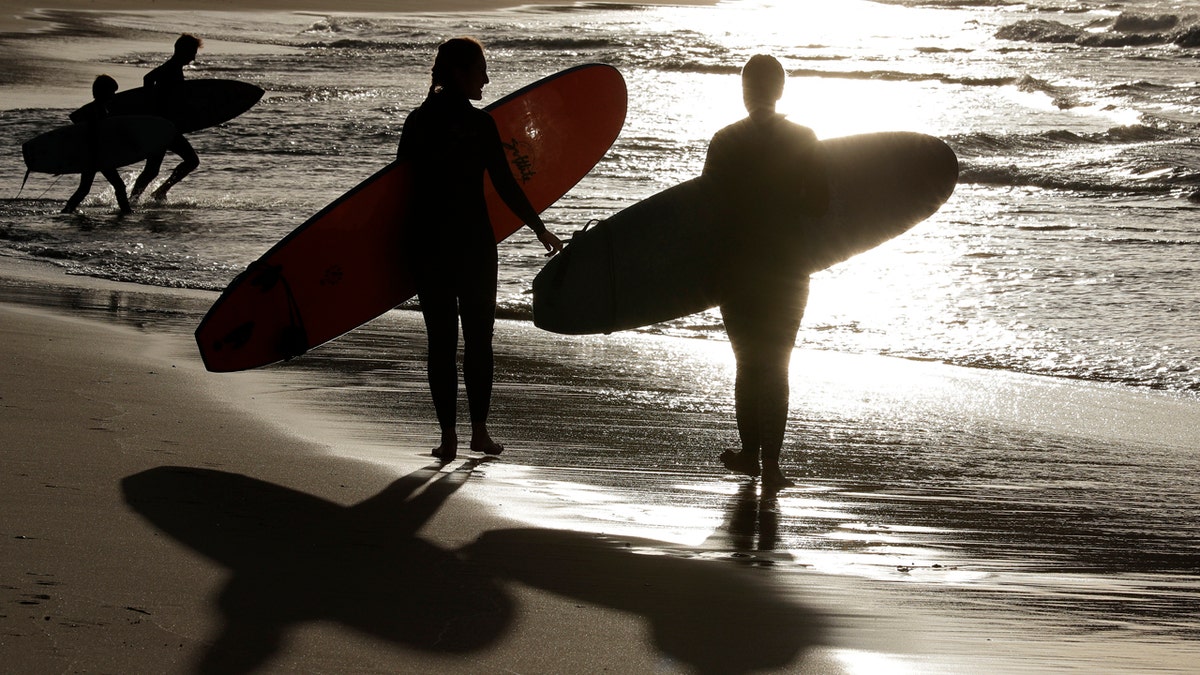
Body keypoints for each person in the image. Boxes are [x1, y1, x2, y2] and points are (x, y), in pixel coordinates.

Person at [397, 37, 563, 462]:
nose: (486, 78)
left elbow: (397, 191)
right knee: (478, 341)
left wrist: (396, 250)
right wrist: (538, 227)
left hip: (429, 243)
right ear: (459, 72)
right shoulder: (479, 124)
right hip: (472, 243)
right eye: (480, 69)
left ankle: (449, 437)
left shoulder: (418, 122)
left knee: (440, 341)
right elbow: (506, 185)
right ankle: (479, 433)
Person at [703, 55, 829, 490]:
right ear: (779, 91)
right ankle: (772, 464)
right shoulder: (805, 138)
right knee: (777, 365)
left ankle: (749, 456)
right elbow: (819, 205)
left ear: (744, 90)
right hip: (789, 268)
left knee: (747, 364)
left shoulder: (724, 141)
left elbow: (708, 209)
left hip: (737, 268)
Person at [130, 33, 202, 202]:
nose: (193, 57)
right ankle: (149, 195)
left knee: (153, 170)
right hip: (162, 127)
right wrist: (151, 108)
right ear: (183, 51)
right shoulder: (171, 67)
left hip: (166, 126)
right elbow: (148, 78)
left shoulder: (175, 67)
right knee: (191, 161)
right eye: (192, 52)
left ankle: (135, 199)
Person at [63, 74, 132, 215]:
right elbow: (94, 131)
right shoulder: (97, 110)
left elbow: (76, 119)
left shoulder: (96, 108)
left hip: (93, 155)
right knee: (119, 185)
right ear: (104, 92)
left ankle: (67, 211)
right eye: (112, 92)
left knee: (84, 189)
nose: (113, 95)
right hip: (98, 156)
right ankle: (126, 212)